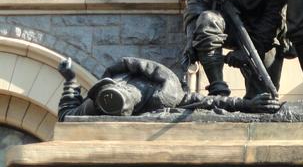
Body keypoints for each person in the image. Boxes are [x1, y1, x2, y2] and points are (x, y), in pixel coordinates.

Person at [56, 57, 281, 120]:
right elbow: (209, 102)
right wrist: (248, 104)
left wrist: (70, 79)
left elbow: (65, 114)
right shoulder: (167, 96)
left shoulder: (102, 97)